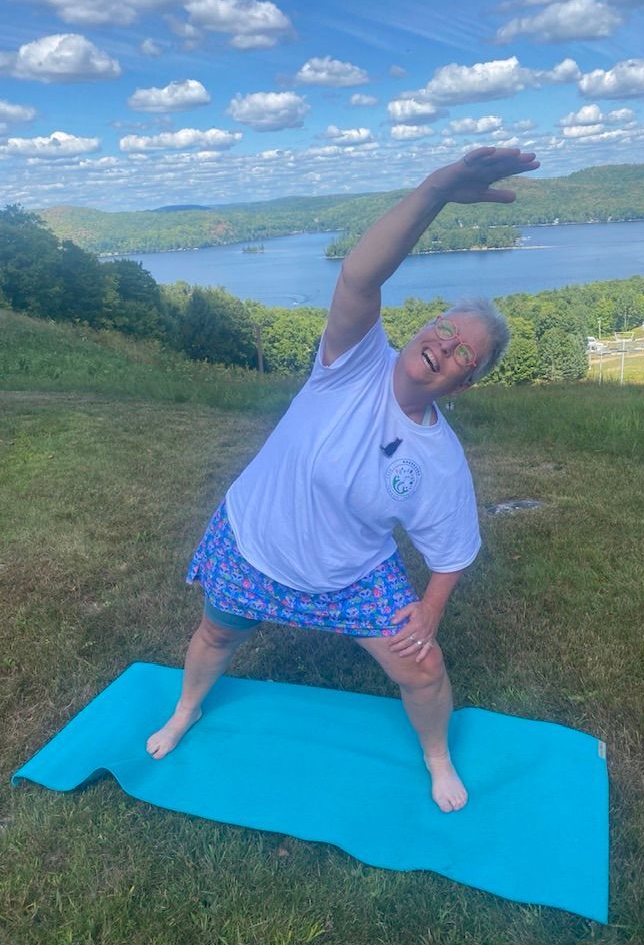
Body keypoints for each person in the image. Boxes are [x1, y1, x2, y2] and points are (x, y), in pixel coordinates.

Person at [146, 146, 541, 813]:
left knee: (423, 668)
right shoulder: (352, 361)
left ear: (465, 382)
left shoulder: (439, 460)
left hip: (350, 578)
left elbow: (450, 551)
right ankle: (186, 709)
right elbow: (360, 276)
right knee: (216, 632)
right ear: (423, 327)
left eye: (462, 352)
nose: (443, 346)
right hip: (254, 544)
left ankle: (437, 755)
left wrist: (430, 612)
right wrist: (436, 190)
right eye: (444, 329)